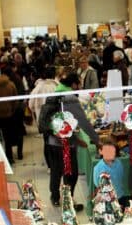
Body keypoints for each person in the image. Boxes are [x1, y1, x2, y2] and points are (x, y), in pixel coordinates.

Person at [39, 73, 99, 207]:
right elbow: (83, 122)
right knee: (71, 172)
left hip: (51, 141)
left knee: (56, 170)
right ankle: (69, 199)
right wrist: (96, 139)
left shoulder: (55, 93)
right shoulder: (70, 98)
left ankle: (55, 197)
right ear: (73, 84)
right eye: (79, 84)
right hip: (66, 143)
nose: (80, 87)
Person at [93, 138, 130, 209]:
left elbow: (121, 178)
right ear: (100, 151)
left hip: (120, 196)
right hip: (106, 200)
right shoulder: (98, 168)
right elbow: (97, 185)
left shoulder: (119, 163)